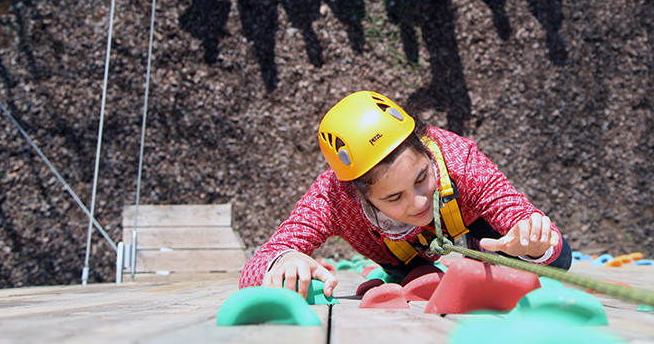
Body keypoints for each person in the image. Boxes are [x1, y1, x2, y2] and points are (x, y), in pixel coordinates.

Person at [240, 91, 571, 296]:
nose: (419, 202)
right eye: (393, 198)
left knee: (561, 258)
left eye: (422, 177)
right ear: (359, 196)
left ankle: (468, 247)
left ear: (427, 150)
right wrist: (283, 260)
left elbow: (529, 223)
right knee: (417, 281)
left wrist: (535, 240)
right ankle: (419, 269)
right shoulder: (332, 199)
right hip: (399, 254)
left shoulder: (461, 161)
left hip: (472, 228)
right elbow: (256, 266)